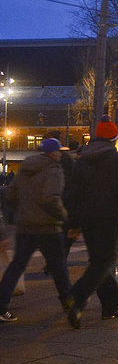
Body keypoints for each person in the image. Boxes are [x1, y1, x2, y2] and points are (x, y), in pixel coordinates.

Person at [62, 118, 118, 328]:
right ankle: (76, 296)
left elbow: (72, 194)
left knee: (99, 261)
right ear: (114, 139)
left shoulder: (81, 161)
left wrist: (72, 224)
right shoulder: (117, 161)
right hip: (108, 216)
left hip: (86, 218)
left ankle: (109, 306)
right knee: (105, 261)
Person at [0, 138, 73, 323]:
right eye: (59, 151)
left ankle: (1, 306)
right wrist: (63, 215)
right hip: (48, 227)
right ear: (53, 153)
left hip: (25, 225)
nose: (60, 154)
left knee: (17, 266)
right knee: (58, 266)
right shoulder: (53, 170)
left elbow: (10, 194)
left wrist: (23, 211)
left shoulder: (26, 167)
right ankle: (68, 301)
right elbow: (50, 198)